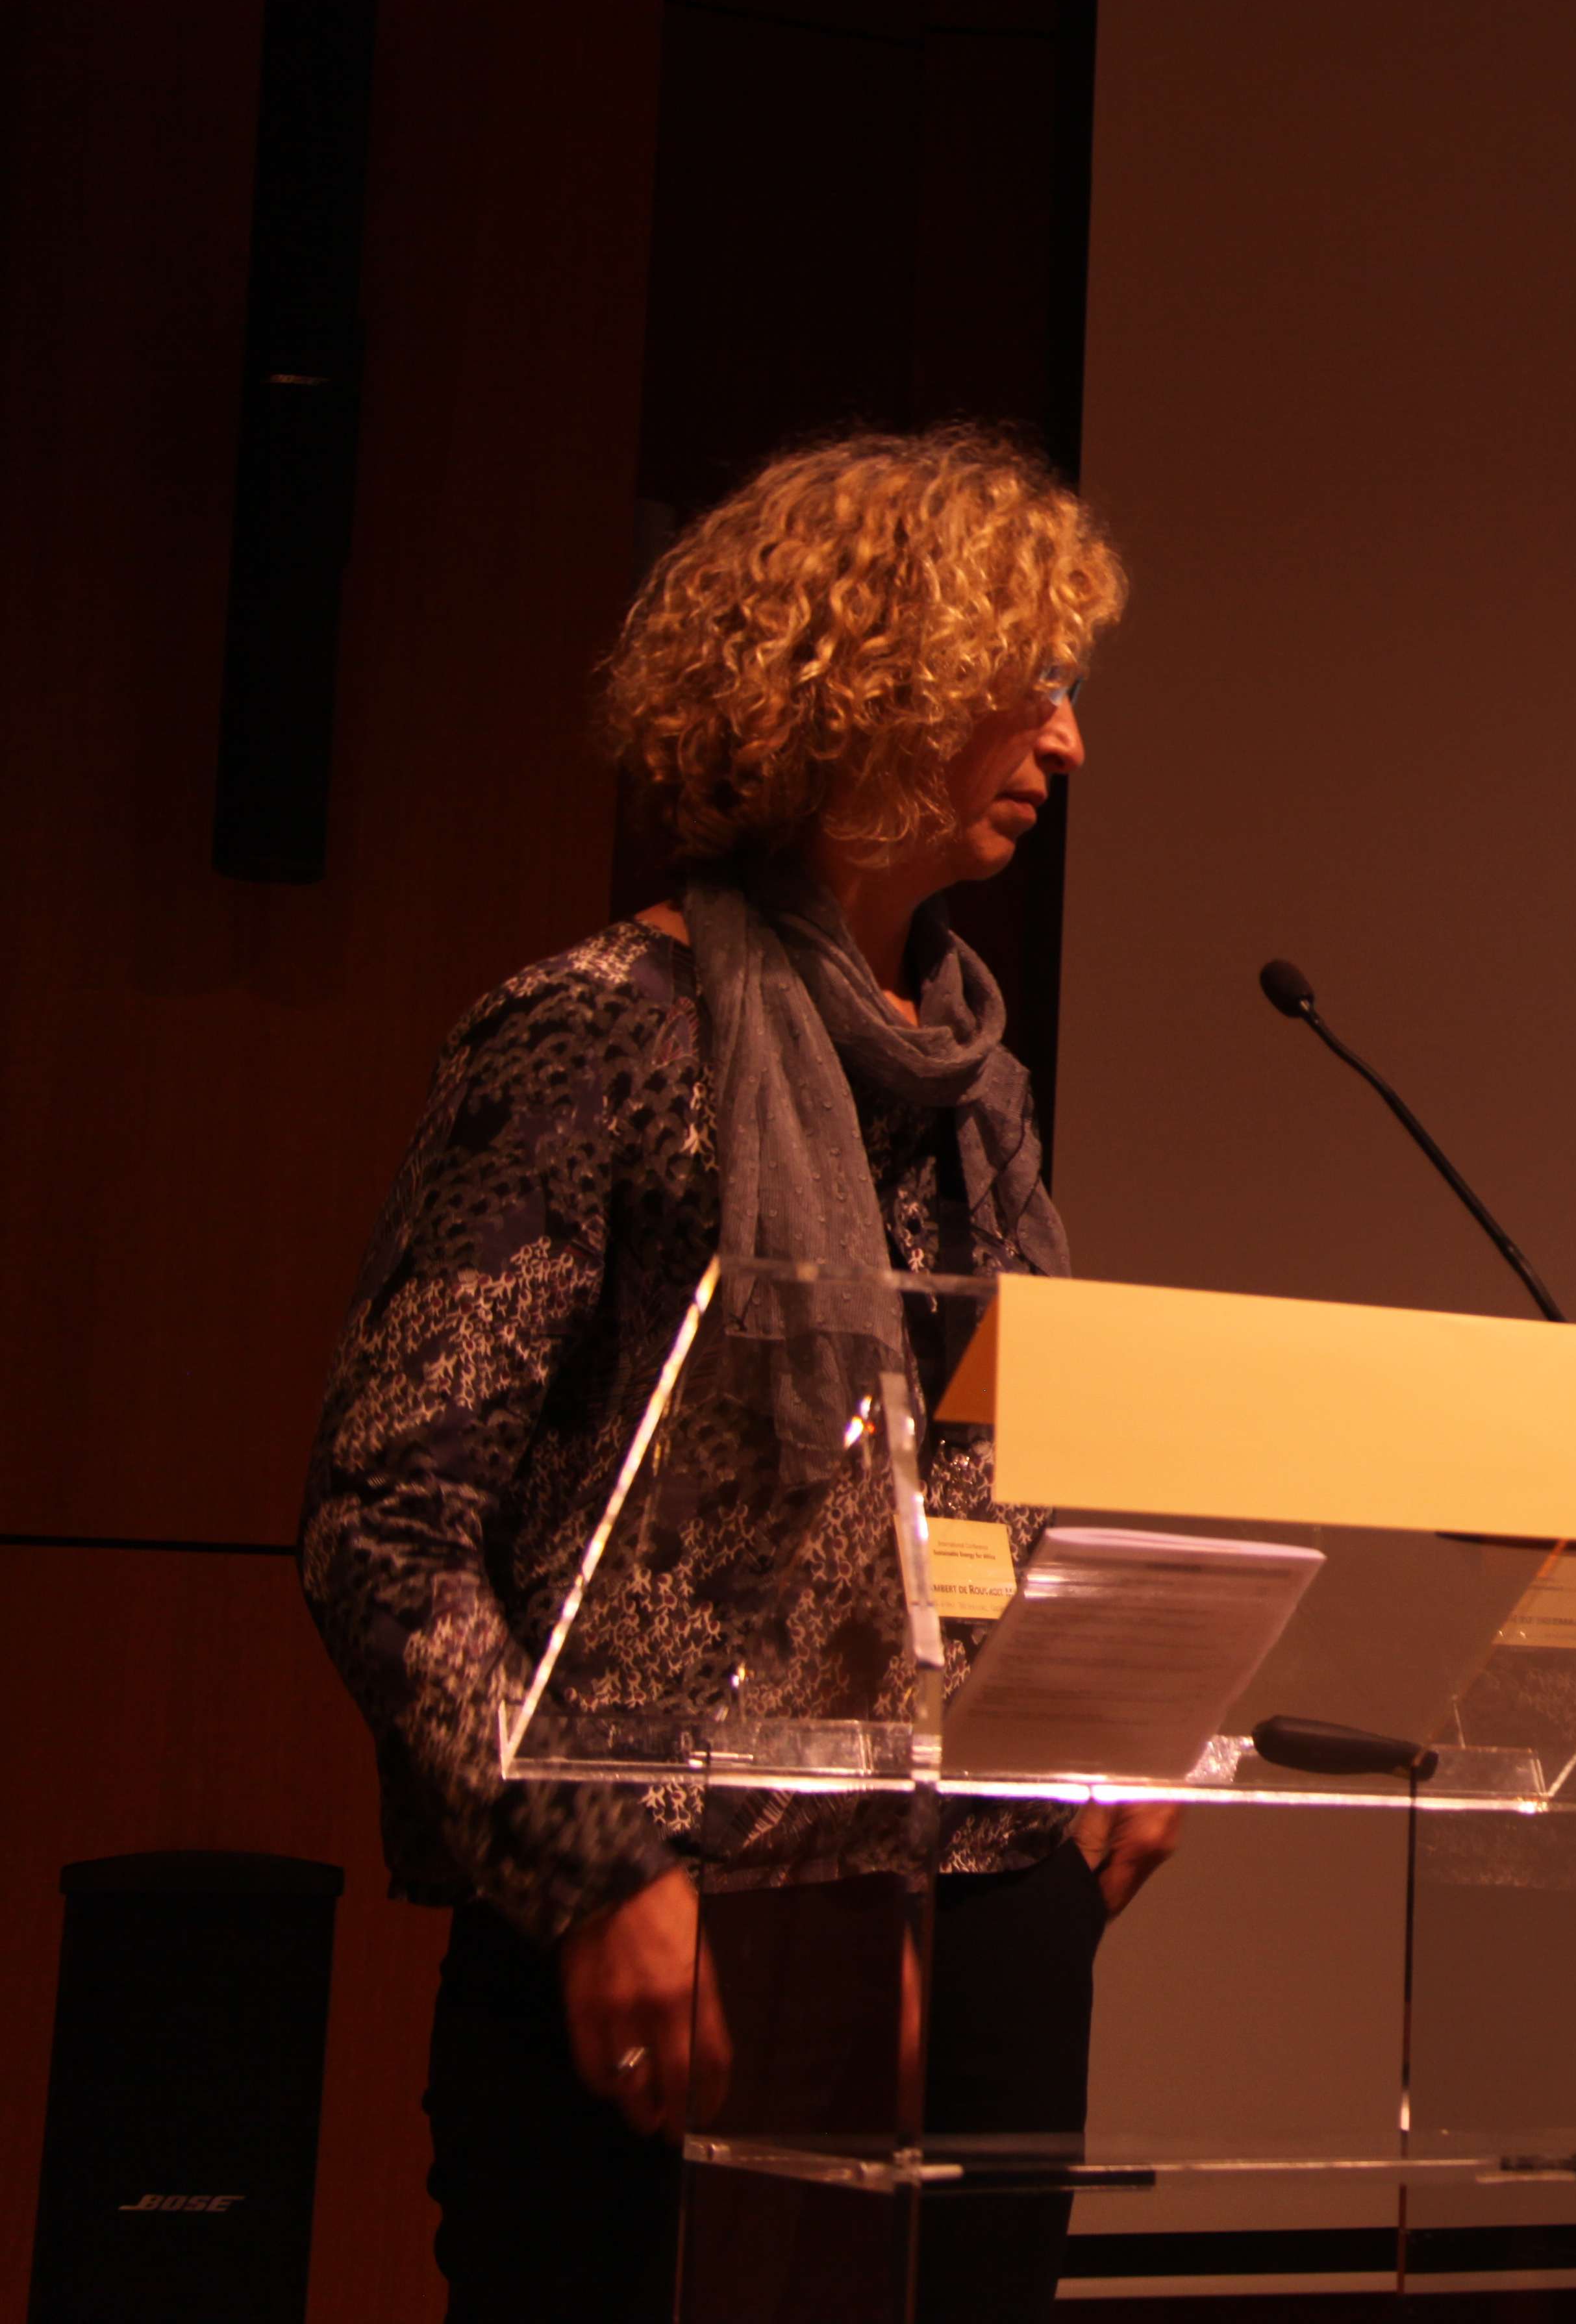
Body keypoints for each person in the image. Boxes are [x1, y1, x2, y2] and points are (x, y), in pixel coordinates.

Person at [299, 427, 1169, 2323]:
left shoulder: (977, 1093)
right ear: (879, 691)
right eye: (1030, 682)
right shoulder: (592, 1040)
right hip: (669, 1927)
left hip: (979, 1922)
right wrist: (586, 1868)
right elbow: (388, 1528)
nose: (1071, 739)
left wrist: (1110, 1719)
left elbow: (995, 1490)